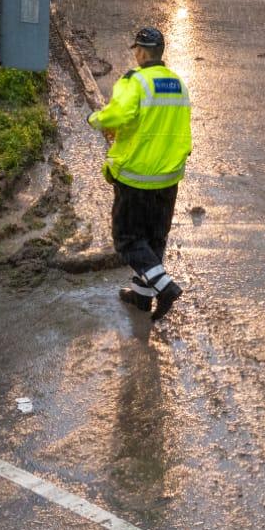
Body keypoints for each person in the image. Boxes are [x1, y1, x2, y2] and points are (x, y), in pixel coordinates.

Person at [88, 25, 194, 320]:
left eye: (136, 49)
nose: (135, 54)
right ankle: (141, 296)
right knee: (154, 239)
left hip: (136, 175)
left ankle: (165, 288)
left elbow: (117, 115)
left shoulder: (135, 82)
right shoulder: (178, 83)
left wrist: (94, 118)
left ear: (143, 52)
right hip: (168, 176)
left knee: (128, 239)